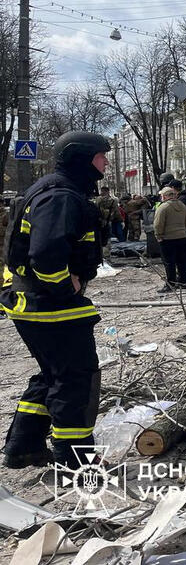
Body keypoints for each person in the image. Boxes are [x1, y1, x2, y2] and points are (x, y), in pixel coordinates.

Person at [1, 131, 109, 469]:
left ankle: (24, 446)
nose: (106, 162)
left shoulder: (53, 189)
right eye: (100, 156)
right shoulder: (61, 196)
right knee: (76, 380)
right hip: (49, 306)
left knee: (53, 374)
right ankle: (77, 465)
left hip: (31, 302)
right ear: (81, 157)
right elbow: (46, 254)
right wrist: (67, 288)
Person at [153, 187, 186, 292]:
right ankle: (182, 282)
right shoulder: (183, 206)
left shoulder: (163, 207)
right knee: (181, 260)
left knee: (169, 262)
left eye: (162, 196)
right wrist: (182, 231)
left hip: (167, 238)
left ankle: (170, 284)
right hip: (181, 237)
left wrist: (158, 236)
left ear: (164, 196)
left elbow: (158, 223)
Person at [170, 181, 186, 287]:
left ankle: (184, 277)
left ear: (173, 188)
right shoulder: (184, 198)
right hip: (183, 231)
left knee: (182, 256)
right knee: (183, 255)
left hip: (182, 232)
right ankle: (184, 277)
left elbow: (182, 217)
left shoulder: (182, 200)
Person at [94, 186, 118, 260]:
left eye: (103, 191)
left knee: (103, 238)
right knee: (105, 238)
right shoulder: (113, 200)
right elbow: (114, 211)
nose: (102, 193)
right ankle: (105, 255)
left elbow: (114, 211)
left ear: (106, 191)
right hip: (105, 221)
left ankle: (103, 255)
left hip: (102, 222)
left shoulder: (99, 199)